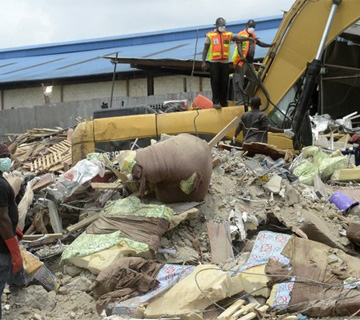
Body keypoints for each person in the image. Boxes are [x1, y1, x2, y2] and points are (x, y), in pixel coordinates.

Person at [0, 143, 24, 320]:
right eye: (3, 157)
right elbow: (1, 218)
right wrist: (14, 249)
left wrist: (13, 227)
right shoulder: (0, 185)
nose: (7, 160)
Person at [232, 19, 275, 105]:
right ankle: (238, 101)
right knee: (239, 82)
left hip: (249, 62)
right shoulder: (241, 35)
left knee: (254, 80)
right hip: (241, 62)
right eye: (250, 27)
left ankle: (246, 97)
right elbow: (239, 47)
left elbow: (259, 43)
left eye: (253, 27)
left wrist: (270, 45)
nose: (251, 28)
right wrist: (242, 57)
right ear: (246, 26)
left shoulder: (253, 35)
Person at [202, 17, 240, 109]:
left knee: (224, 82)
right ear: (217, 26)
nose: (222, 27)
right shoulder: (210, 35)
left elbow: (237, 37)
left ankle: (223, 102)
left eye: (223, 25)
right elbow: (205, 49)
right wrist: (203, 62)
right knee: (215, 82)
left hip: (225, 63)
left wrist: (247, 39)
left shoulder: (228, 34)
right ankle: (215, 102)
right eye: (221, 26)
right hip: (214, 63)